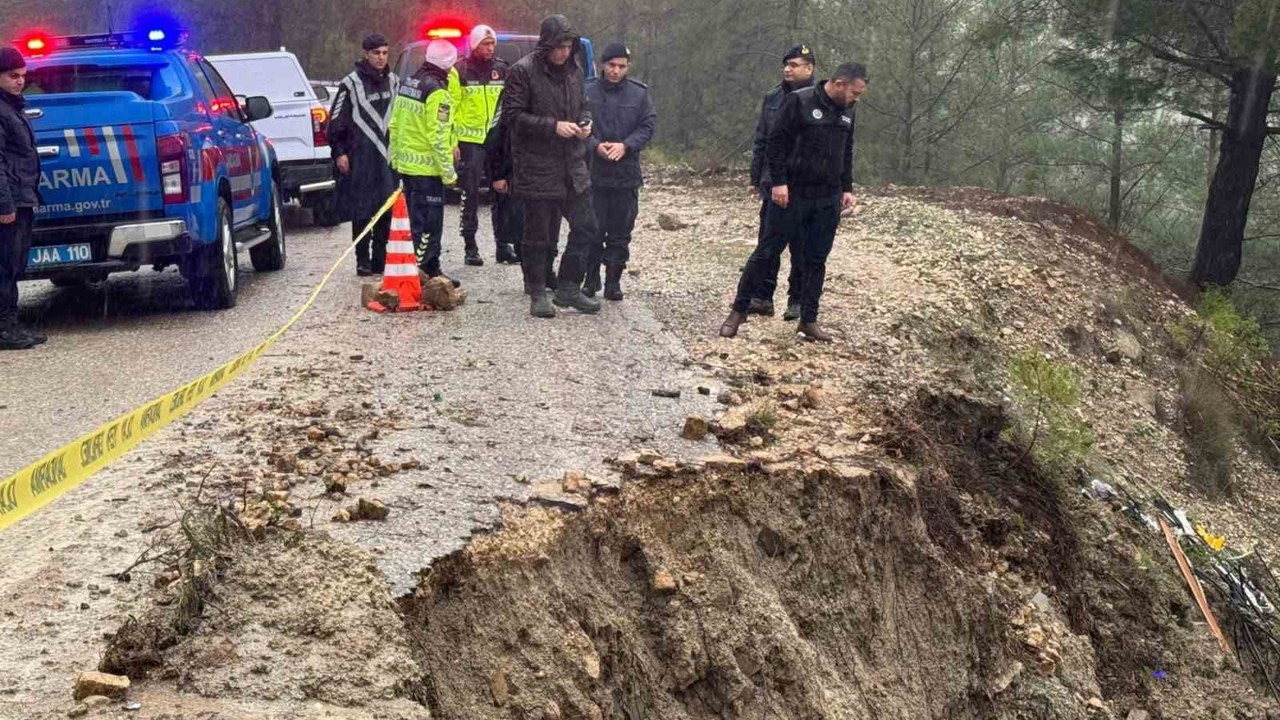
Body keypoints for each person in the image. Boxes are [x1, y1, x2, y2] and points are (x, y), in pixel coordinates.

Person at [720, 62, 869, 342]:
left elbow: (846, 149)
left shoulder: (848, 110)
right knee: (766, 253)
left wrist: (847, 187)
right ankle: (738, 311)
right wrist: (778, 182)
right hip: (791, 194)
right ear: (838, 84)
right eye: (855, 92)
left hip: (827, 196)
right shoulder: (799, 101)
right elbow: (775, 143)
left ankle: (808, 319)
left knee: (816, 259)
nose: (856, 99)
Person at [502, 15, 601, 319]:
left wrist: (585, 122)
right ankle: (536, 292)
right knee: (538, 234)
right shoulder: (522, 72)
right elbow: (512, 117)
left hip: (573, 164)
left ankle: (568, 285)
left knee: (587, 226)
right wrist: (552, 127)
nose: (564, 52)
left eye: (569, 46)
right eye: (559, 47)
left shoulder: (575, 70)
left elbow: (583, 104)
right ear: (546, 45)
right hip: (536, 165)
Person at [582, 43, 656, 302]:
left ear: (628, 67)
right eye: (611, 65)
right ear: (603, 65)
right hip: (594, 173)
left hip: (625, 176)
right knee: (592, 229)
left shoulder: (639, 94)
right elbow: (580, 123)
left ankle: (614, 281)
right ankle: (590, 279)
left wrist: (626, 146)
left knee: (621, 232)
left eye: (621, 67)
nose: (615, 71)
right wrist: (595, 146)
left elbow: (648, 126)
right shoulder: (588, 90)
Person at [746, 44, 816, 320]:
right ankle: (763, 296)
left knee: (801, 246)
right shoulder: (773, 97)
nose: (788, 69)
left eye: (795, 64)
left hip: (804, 183)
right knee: (768, 243)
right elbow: (762, 137)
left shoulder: (818, 99)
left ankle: (796, 300)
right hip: (773, 181)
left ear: (809, 68)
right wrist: (756, 176)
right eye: (786, 64)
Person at [389, 40, 461, 287]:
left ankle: (429, 269)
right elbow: (438, 136)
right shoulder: (438, 91)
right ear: (449, 65)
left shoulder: (409, 82)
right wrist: (449, 173)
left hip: (408, 167)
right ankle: (422, 274)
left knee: (414, 222)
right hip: (427, 170)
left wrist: (396, 160)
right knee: (429, 225)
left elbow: (395, 124)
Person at [329, 34, 399, 277]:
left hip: (388, 157)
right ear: (366, 54)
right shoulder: (350, 84)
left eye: (384, 53)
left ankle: (380, 258)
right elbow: (336, 121)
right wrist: (339, 152)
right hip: (361, 156)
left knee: (386, 207)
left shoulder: (394, 82)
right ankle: (362, 259)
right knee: (362, 209)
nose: (381, 58)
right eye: (376, 53)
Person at [454, 25, 517, 266]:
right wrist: (453, 141)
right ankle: (470, 246)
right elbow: (451, 108)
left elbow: (510, 102)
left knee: (502, 191)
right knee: (469, 192)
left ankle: (503, 245)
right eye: (485, 44)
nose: (490, 49)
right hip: (469, 141)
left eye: (492, 44)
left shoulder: (502, 69)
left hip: (496, 138)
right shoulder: (460, 70)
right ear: (474, 44)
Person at [0, 47, 42, 351]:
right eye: (13, 76)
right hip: (10, 201)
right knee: (4, 267)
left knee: (14, 265)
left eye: (23, 76)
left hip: (21, 196)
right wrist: (5, 205)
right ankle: (5, 329)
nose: (20, 81)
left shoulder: (11, 107)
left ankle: (11, 324)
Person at [484, 109, 523, 266]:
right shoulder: (511, 97)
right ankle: (503, 247)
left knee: (520, 210)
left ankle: (520, 248)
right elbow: (495, 138)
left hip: (523, 167)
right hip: (507, 167)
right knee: (504, 207)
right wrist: (497, 175)